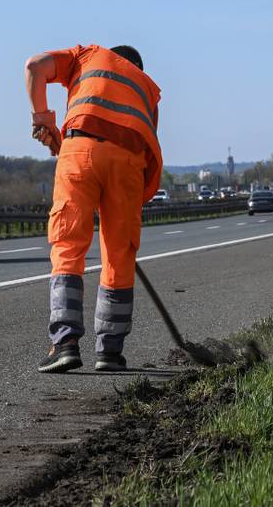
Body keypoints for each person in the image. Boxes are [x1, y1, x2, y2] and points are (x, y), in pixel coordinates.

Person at [24, 44, 162, 373]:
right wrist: (121, 210)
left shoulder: (86, 56)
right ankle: (110, 353)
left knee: (68, 245)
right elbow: (146, 150)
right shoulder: (147, 89)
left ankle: (65, 344)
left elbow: (34, 66)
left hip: (79, 147)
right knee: (119, 253)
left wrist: (44, 121)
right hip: (127, 160)